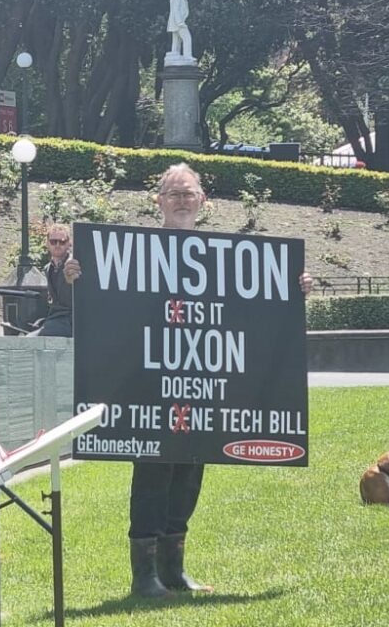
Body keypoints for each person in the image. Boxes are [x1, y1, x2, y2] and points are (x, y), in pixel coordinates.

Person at [64, 163, 313, 598]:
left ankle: (172, 569)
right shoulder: (129, 251)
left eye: (189, 193)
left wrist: (295, 286)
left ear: (203, 201)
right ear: (157, 201)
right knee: (153, 476)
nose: (181, 200)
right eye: (173, 193)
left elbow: (257, 308)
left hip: (201, 387)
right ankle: (144, 577)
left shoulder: (223, 256)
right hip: (148, 387)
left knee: (190, 472)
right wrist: (69, 275)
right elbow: (89, 299)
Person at [28, 223, 73, 337]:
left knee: (30, 340)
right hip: (54, 319)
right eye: (53, 241)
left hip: (71, 320)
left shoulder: (73, 263)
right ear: (47, 243)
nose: (57, 245)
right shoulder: (48, 268)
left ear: (69, 243)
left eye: (62, 241)